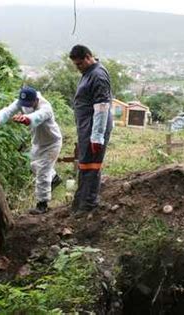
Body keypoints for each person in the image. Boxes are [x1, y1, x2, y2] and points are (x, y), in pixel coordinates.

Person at [0, 87, 62, 215]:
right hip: (37, 142)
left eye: (29, 104)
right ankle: (54, 178)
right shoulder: (22, 102)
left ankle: (42, 204)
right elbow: (8, 111)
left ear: (36, 100)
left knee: (42, 171)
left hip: (52, 143)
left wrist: (27, 119)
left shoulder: (46, 107)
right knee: (34, 166)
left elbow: (38, 116)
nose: (26, 106)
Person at [69, 44, 113, 213]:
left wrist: (97, 136)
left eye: (79, 64)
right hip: (87, 127)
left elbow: (102, 107)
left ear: (88, 57)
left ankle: (88, 204)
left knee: (92, 165)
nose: (78, 68)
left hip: (95, 128)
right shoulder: (88, 73)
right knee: (85, 164)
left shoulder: (98, 75)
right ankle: (81, 201)